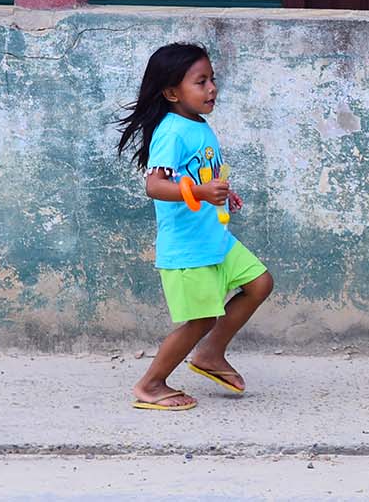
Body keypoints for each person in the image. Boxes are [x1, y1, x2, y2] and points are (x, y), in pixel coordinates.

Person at [114, 42, 274, 412]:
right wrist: (202, 192)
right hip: (188, 246)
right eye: (201, 82)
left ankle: (210, 354)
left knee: (259, 283)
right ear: (172, 93)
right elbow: (155, 186)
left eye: (212, 79)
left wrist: (222, 193)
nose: (212, 88)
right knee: (201, 318)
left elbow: (199, 174)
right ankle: (151, 384)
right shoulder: (172, 132)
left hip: (214, 237)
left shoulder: (198, 125)